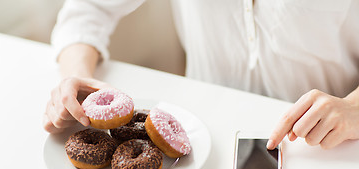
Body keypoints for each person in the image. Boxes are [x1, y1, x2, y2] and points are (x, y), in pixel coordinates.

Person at [43, 0, 359, 150]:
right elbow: (88, 10)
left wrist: (353, 109)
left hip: (329, 144)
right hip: (199, 137)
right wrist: (75, 77)